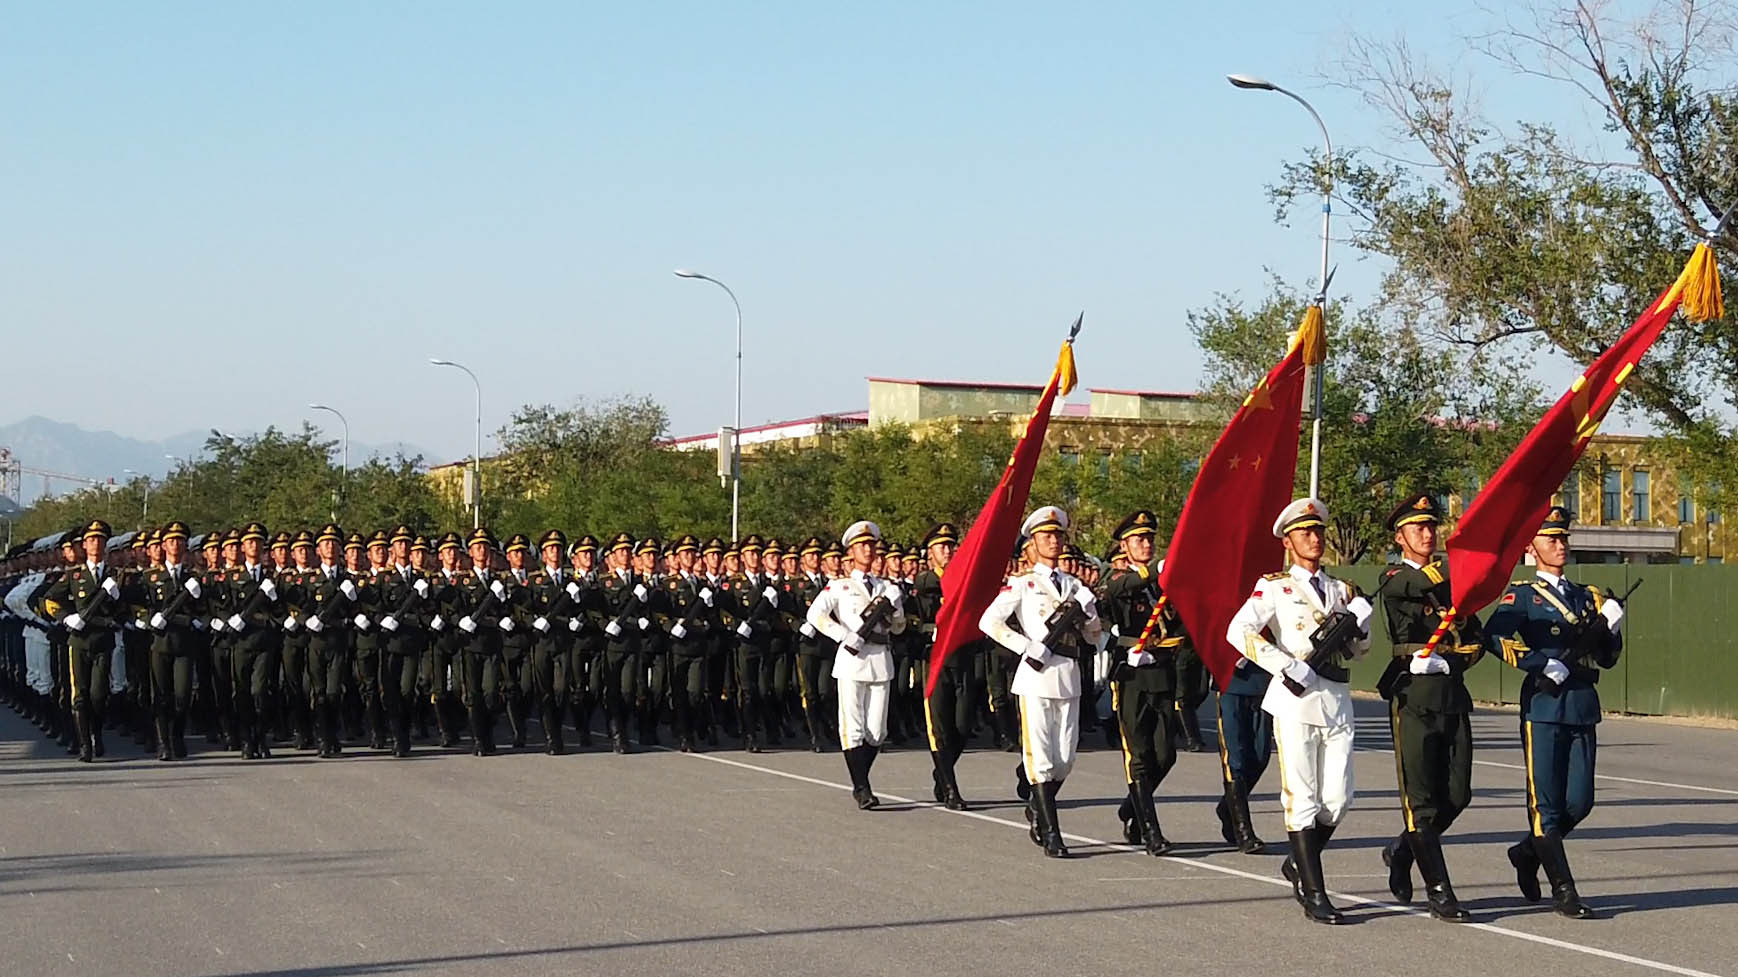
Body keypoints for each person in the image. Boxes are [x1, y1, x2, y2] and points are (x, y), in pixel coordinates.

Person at [1226, 497, 1371, 924]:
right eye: (1305, 532)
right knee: (1303, 797)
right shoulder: (1275, 586)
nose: (1314, 538)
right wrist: (1284, 664)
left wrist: (1362, 626)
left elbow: (1360, 651)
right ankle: (1314, 890)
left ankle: (1297, 863)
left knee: (1339, 799)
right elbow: (1239, 630)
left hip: (1336, 698)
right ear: (1288, 542)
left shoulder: (1344, 590)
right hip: (1294, 699)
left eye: (1318, 530)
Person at [1483, 505, 1622, 920]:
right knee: (1545, 805)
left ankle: (1527, 852)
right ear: (1532, 546)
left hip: (1581, 703)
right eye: (1550, 539)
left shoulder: (1588, 595)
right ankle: (1564, 889)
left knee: (1579, 803)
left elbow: (1608, 658)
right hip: (1543, 706)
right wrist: (1538, 663)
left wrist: (1611, 628)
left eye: (1563, 538)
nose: (1559, 545)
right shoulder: (1523, 595)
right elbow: (1496, 635)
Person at [1376, 494, 1482, 922]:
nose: (1427, 533)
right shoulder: (1396, 576)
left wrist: (1451, 660)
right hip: (1414, 699)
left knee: (1456, 795)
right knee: (1421, 801)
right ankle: (1440, 890)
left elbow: (1475, 640)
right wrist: (1472, 560)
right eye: (1417, 527)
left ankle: (1402, 850)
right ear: (1400, 537)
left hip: (1451, 695)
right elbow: (1420, 586)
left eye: (1431, 526)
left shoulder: (1455, 588)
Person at [980, 506, 1103, 857]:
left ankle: (1037, 804)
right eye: (1046, 536)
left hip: (1068, 674)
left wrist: (1091, 612)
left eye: (1058, 535)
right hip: (1036, 676)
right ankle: (1052, 832)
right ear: (1032, 543)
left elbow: (1094, 637)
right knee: (1042, 759)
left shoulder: (1076, 587)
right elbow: (990, 623)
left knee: (1065, 759)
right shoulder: (1023, 584)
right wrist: (1025, 646)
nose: (1054, 540)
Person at [806, 520, 907, 809]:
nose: (868, 549)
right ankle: (862, 787)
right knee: (853, 727)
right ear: (851, 551)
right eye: (862, 545)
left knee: (877, 732)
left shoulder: (886, 587)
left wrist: (896, 606)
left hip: (880, 658)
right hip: (852, 660)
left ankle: (861, 778)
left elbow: (898, 628)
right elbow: (816, 615)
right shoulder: (840, 586)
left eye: (871, 544)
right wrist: (842, 635)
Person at [1101, 509, 1179, 856]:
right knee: (1140, 755)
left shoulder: (1164, 583)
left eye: (1149, 539)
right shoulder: (1118, 580)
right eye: (1138, 539)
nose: (1146, 544)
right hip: (1131, 674)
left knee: (1166, 755)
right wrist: (1156, 571)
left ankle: (1131, 806)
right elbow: (1126, 587)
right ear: (1125, 545)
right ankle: (1150, 829)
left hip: (1162, 670)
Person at [47, 520, 122, 761]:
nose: (96, 544)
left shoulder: (115, 575)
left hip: (103, 640)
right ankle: (84, 744)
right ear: (85, 545)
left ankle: (96, 734)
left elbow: (125, 610)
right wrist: (66, 618)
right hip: (79, 641)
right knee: (79, 696)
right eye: (91, 540)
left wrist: (117, 597)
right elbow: (49, 601)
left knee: (99, 695)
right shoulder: (73, 575)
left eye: (100, 539)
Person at [142, 521, 202, 760]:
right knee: (161, 694)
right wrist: (148, 618)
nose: (175, 545)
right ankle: (163, 741)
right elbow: (138, 606)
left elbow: (203, 609)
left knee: (183, 695)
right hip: (160, 643)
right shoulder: (151, 577)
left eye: (180, 541)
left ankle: (177, 735)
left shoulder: (193, 578)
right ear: (164, 545)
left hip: (185, 644)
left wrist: (196, 604)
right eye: (171, 541)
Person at [529, 529, 578, 755]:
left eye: (558, 548)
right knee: (544, 690)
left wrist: (576, 612)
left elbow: (581, 611)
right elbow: (524, 608)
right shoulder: (534, 580)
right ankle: (552, 736)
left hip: (564, 641)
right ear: (544, 554)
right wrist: (534, 621)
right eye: (550, 549)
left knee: (562, 688)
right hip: (542, 642)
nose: (555, 552)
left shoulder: (571, 581)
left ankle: (556, 727)